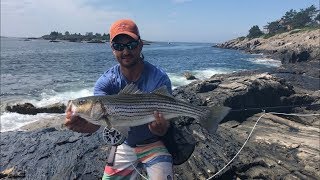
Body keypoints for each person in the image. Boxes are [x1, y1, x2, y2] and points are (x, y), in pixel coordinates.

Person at [65, 19, 173, 180]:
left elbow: (166, 124)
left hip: (154, 142)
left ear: (140, 45)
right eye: (118, 46)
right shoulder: (105, 81)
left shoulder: (159, 77)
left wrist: (162, 129)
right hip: (125, 144)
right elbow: (95, 125)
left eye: (131, 45)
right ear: (112, 49)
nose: (125, 51)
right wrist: (83, 126)